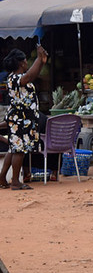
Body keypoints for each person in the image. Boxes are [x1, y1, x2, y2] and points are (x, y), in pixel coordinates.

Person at [0, 46, 48, 190]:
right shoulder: (15, 78)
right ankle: (15, 181)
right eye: (26, 60)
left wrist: (41, 62)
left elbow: (31, 75)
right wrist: (39, 59)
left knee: (14, 149)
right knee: (19, 150)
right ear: (21, 63)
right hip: (20, 119)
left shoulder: (14, 78)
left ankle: (2, 178)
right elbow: (30, 76)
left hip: (21, 118)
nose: (27, 62)